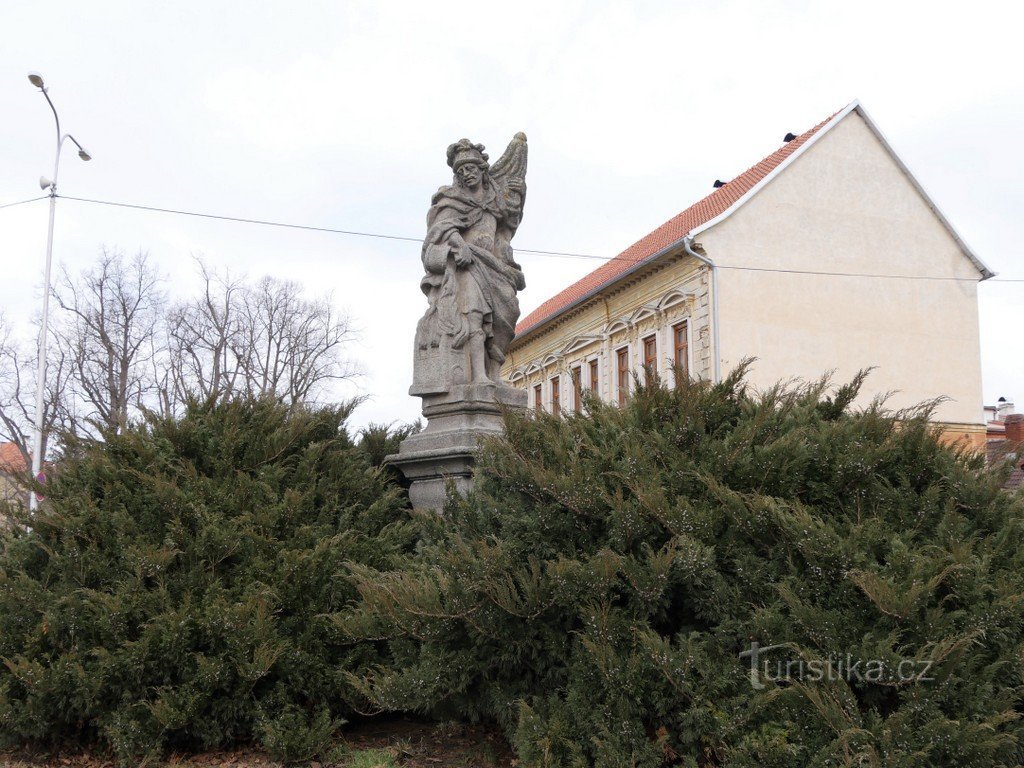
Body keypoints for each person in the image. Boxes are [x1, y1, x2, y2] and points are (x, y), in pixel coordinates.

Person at [412, 138, 527, 393]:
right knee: (473, 315)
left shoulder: (495, 199)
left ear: (482, 169)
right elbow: (441, 230)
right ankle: (478, 376)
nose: (467, 173)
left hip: (496, 267)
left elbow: (510, 220)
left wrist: (519, 192)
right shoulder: (452, 200)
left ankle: (495, 373)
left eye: (471, 168)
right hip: (468, 265)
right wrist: (458, 246)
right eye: (461, 170)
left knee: (507, 313)